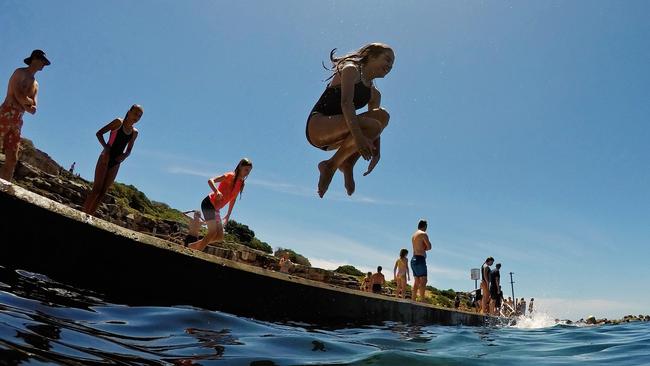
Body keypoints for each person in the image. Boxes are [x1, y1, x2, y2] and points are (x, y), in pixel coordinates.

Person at [306, 43, 394, 197]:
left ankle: (347, 162)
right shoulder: (351, 69)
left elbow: (376, 129)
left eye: (392, 64)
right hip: (317, 127)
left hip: (337, 138)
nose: (390, 65)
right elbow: (346, 104)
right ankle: (330, 166)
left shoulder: (374, 94)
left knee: (382, 116)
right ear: (371, 55)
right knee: (371, 124)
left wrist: (376, 152)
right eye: (387, 59)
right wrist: (359, 139)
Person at [83, 105, 143, 215]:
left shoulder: (135, 132)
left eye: (139, 116)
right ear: (129, 112)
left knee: (102, 193)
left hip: (116, 162)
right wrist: (106, 148)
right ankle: (82, 215)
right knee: (96, 190)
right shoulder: (118, 122)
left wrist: (124, 156)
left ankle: (90, 217)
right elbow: (99, 133)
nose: (136, 117)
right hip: (105, 157)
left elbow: (129, 150)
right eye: (135, 113)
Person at [1, 50, 50, 181]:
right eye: (42, 61)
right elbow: (17, 95)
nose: (44, 65)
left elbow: (34, 109)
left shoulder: (36, 84)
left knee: (12, 159)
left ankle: (4, 187)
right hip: (6, 113)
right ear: (35, 59)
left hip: (17, 120)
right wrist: (27, 101)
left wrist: (25, 100)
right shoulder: (20, 72)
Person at [188, 159, 253, 251]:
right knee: (212, 232)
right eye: (246, 169)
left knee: (219, 236)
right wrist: (216, 191)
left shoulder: (241, 183)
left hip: (216, 209)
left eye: (249, 171)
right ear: (240, 167)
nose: (248, 173)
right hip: (209, 203)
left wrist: (228, 215)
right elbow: (211, 180)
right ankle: (197, 252)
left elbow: (233, 199)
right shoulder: (230, 176)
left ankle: (193, 246)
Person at [411, 219, 432, 302]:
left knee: (416, 282)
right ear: (425, 226)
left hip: (413, 259)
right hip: (420, 259)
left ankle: (413, 300)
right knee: (423, 280)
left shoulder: (414, 235)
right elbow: (429, 246)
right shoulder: (423, 234)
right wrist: (425, 248)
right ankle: (422, 300)